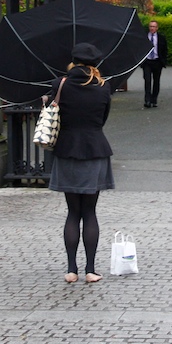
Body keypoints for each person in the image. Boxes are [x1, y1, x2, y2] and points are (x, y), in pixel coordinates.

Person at [44, 42, 115, 284]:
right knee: (90, 211)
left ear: (73, 60)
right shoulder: (104, 87)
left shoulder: (59, 84)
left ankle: (71, 269)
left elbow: (52, 113)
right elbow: (102, 119)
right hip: (94, 150)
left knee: (73, 212)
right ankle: (91, 270)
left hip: (67, 151)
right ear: (95, 63)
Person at [142, 20, 167, 108]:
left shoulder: (161, 38)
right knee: (147, 81)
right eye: (150, 26)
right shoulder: (144, 37)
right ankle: (147, 100)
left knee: (156, 81)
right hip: (147, 62)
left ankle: (154, 100)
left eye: (154, 26)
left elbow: (164, 50)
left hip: (157, 61)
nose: (152, 28)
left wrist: (163, 61)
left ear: (157, 28)